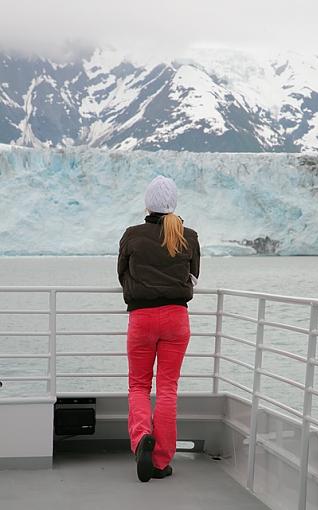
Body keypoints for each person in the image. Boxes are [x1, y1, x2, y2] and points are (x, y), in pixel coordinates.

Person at [117, 175, 200, 483]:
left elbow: (122, 273)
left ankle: (141, 441)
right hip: (177, 319)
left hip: (141, 318)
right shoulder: (188, 235)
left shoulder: (132, 235)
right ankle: (161, 462)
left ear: (147, 204)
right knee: (167, 389)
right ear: (173, 203)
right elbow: (193, 278)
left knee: (138, 386)